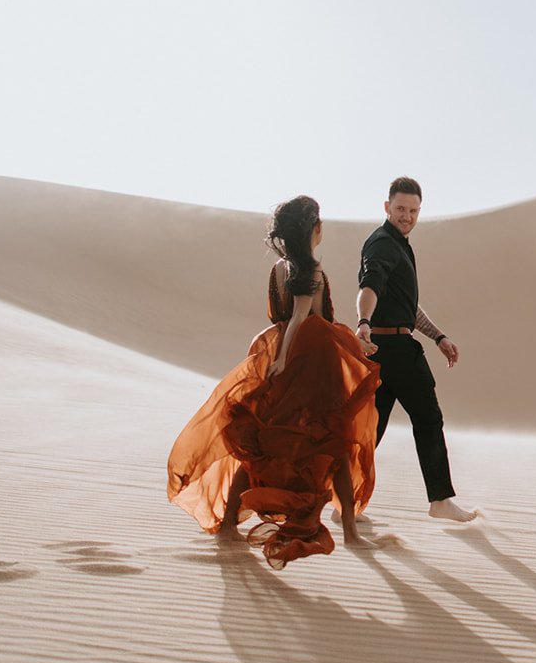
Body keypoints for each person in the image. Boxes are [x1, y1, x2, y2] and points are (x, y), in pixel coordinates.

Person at [167, 196, 381, 568]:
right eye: (319, 221)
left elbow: (287, 318)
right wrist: (284, 359)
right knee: (336, 445)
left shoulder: (280, 268)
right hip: (312, 366)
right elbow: (302, 318)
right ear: (311, 227)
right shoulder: (308, 268)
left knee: (260, 442)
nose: (322, 227)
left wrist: (280, 356)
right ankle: (349, 530)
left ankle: (228, 525)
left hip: (286, 358)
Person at [355, 176, 478, 522]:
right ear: (386, 208)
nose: (406, 215)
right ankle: (440, 500)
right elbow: (370, 286)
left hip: (384, 347)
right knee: (428, 419)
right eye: (399, 209)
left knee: (371, 429)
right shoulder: (382, 245)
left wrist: (438, 336)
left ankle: (343, 499)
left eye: (412, 210)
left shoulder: (399, 245)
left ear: (419, 211)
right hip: (392, 348)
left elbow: (406, 307)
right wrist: (362, 321)